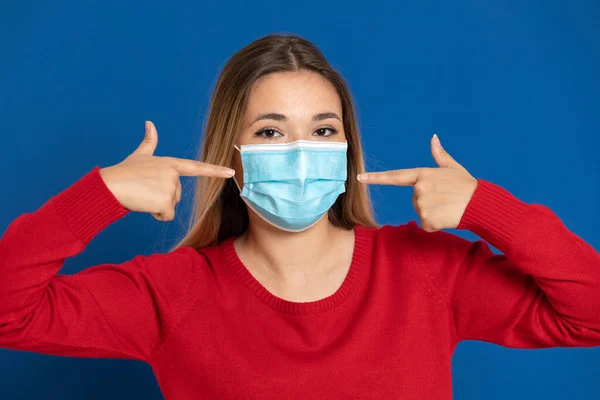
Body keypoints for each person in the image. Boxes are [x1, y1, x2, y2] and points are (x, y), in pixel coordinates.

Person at [0, 33, 599, 400]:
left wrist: (487, 209)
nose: (299, 153)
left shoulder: (426, 272)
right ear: (229, 155)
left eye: (322, 130)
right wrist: (100, 194)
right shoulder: (172, 294)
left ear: (347, 147)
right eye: (269, 131)